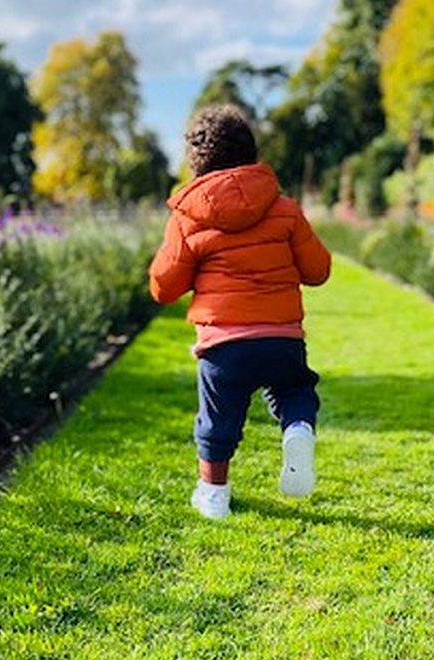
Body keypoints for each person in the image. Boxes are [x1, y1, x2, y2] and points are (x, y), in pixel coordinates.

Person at [148, 104, 332, 520]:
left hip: (222, 341)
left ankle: (214, 493)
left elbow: (164, 287)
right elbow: (318, 271)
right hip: (282, 336)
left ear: (196, 160)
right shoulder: (284, 208)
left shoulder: (187, 218)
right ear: (250, 151)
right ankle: (298, 429)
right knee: (294, 391)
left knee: (218, 417)